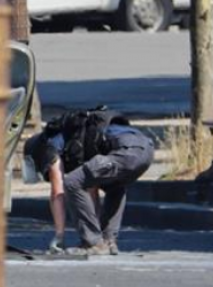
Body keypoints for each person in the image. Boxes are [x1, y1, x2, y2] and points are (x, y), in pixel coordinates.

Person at [23, 108, 155, 255]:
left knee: (71, 182)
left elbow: (58, 191)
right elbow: (91, 190)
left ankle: (93, 243)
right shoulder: (76, 135)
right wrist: (95, 226)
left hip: (125, 150)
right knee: (114, 186)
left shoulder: (50, 146)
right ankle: (107, 241)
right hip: (146, 148)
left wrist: (59, 236)